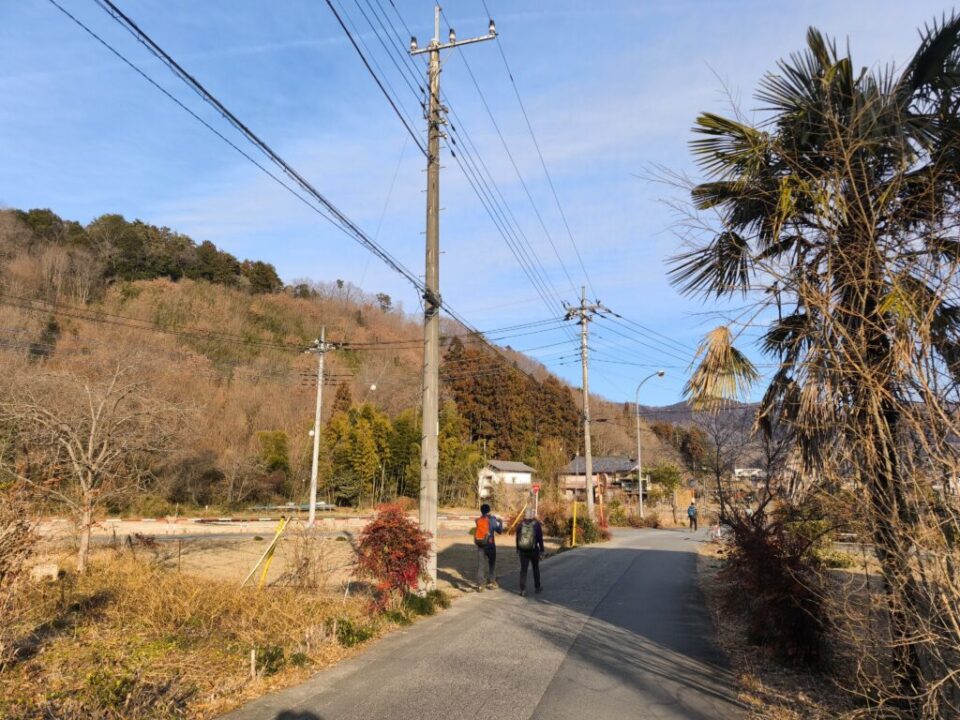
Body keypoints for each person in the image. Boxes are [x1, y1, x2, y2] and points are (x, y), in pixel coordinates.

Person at [474, 503, 503, 591]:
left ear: (481, 511)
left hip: (480, 545)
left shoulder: (478, 520)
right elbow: (499, 531)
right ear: (489, 510)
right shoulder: (492, 520)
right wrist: (500, 522)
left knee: (481, 565)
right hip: (490, 545)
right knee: (492, 564)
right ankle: (491, 582)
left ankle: (480, 585)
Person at [516, 508, 544, 597]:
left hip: (523, 550)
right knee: (535, 568)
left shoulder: (520, 524)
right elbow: (540, 539)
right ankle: (537, 587)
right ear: (532, 516)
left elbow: (517, 538)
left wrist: (517, 548)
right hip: (534, 550)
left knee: (523, 570)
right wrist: (542, 550)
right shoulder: (537, 525)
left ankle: (523, 590)